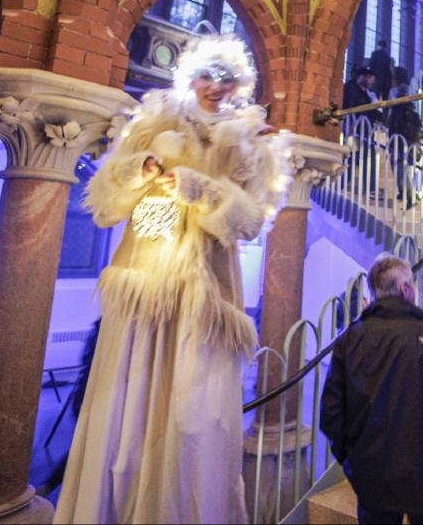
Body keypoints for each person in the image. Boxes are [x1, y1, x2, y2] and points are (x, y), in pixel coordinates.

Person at [54, 36, 289, 524]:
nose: (215, 88)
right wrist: (142, 171)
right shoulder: (157, 120)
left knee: (192, 417)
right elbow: (106, 200)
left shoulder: (249, 142)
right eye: (207, 75)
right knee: (129, 409)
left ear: (238, 86)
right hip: (149, 277)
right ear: (191, 77)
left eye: (226, 79)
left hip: (208, 295)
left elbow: (247, 222)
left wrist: (199, 189)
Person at [321, 255, 423, 525]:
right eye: (412, 284)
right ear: (405, 289)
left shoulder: (349, 340)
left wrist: (352, 459)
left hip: (372, 475)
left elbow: (331, 415)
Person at [387, 66, 423, 207]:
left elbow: (399, 126)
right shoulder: (410, 112)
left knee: (400, 168)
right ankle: (406, 193)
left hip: (401, 141)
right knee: (401, 168)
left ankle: (408, 195)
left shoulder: (399, 110)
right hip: (403, 140)